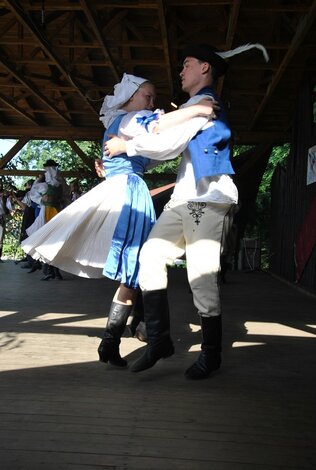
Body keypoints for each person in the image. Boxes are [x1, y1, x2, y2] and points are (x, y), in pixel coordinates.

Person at [21, 73, 216, 367]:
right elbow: (156, 127)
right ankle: (132, 334)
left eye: (152, 98)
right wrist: (198, 110)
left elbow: (155, 152)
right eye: (147, 96)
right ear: (128, 99)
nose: (151, 102)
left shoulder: (125, 125)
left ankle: (117, 339)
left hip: (126, 188)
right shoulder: (129, 120)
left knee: (135, 270)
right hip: (129, 193)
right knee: (138, 267)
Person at [104, 43, 269, 379]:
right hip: (184, 200)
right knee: (149, 257)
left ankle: (211, 354)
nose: (181, 71)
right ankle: (160, 340)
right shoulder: (193, 105)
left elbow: (168, 144)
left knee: (201, 277)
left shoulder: (203, 103)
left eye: (187, 64)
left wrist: (126, 146)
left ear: (205, 69)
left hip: (210, 198)